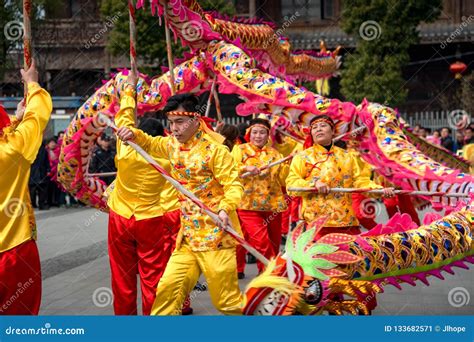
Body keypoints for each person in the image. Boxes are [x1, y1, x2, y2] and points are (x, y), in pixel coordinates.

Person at [115, 69, 244, 315]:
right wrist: (133, 134)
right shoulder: (172, 145)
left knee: (226, 302)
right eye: (171, 123)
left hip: (216, 235)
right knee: (166, 292)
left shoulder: (215, 151)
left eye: (179, 122)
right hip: (187, 237)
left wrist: (225, 209)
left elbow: (234, 185)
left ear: (196, 120)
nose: (173, 128)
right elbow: (151, 143)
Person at [107, 114, 184, 315]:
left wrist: (129, 88)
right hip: (151, 218)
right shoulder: (167, 158)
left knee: (122, 275)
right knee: (153, 276)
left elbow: (124, 119)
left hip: (120, 217)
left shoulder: (124, 150)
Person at [0, 60, 53, 314]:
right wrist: (32, 84)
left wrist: (14, 119)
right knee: (19, 317)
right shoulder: (13, 149)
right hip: (14, 249)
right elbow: (38, 116)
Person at [231, 117, 289, 278]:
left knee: (273, 243)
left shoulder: (275, 154)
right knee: (261, 241)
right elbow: (230, 170)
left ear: (267, 135)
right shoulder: (240, 150)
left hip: (273, 205)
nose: (258, 136)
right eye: (255, 132)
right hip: (248, 205)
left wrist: (288, 165)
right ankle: (274, 273)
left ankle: (264, 274)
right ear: (249, 133)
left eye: (262, 132)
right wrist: (244, 168)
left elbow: (283, 179)